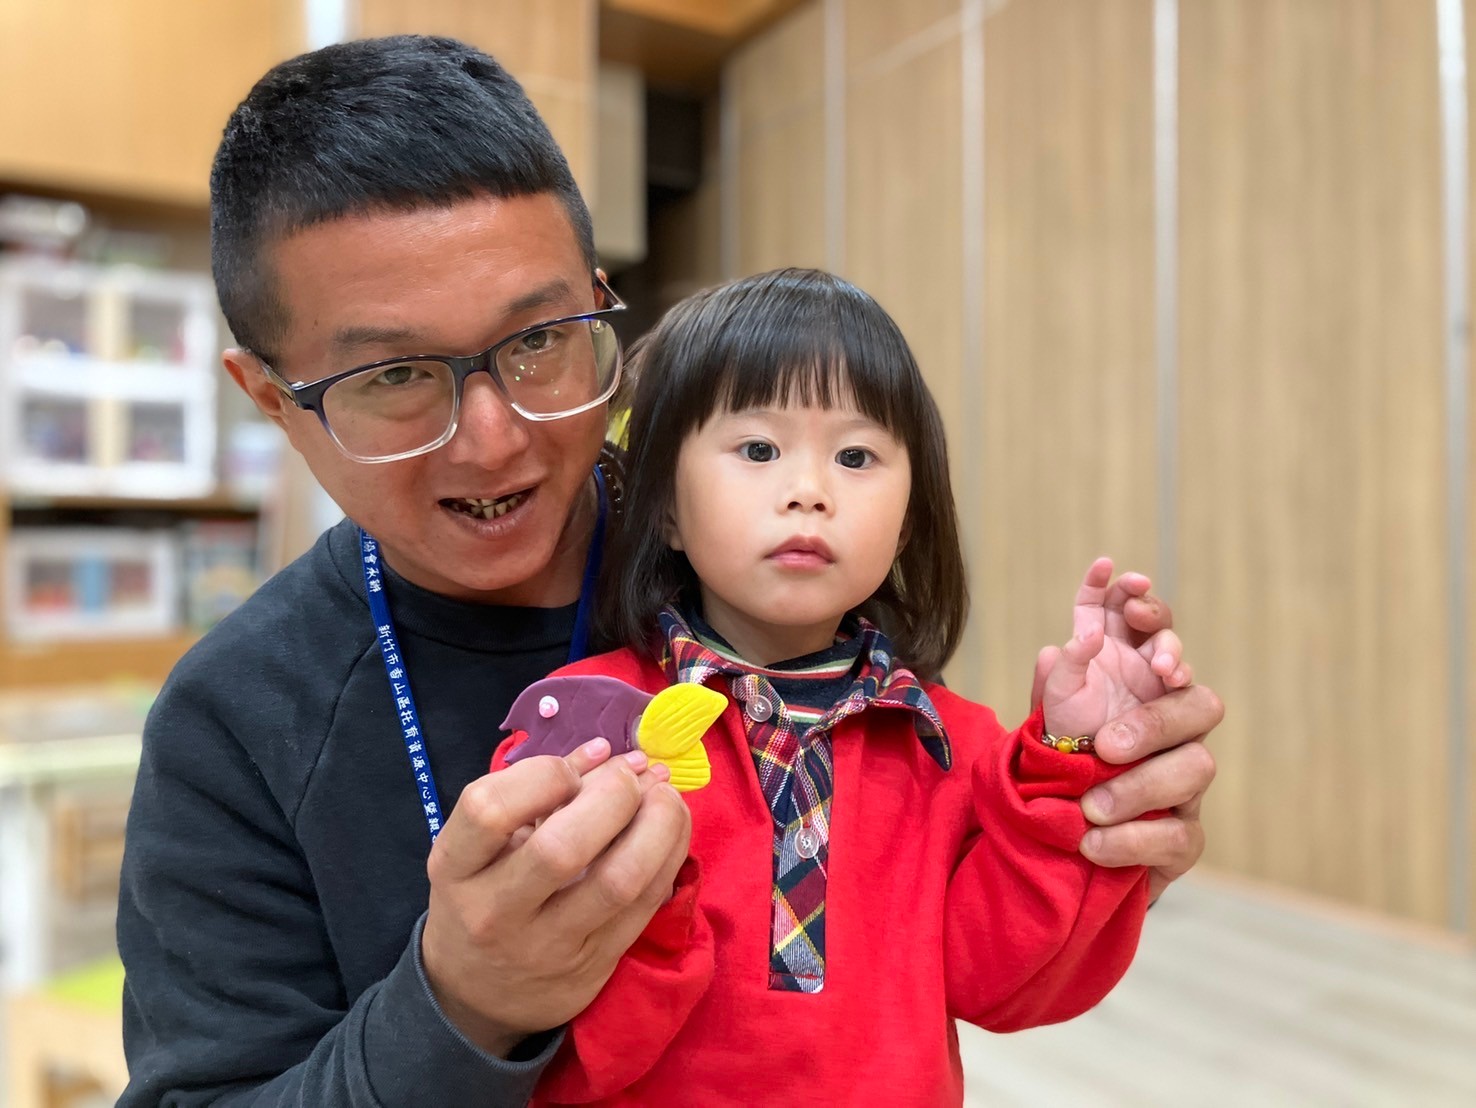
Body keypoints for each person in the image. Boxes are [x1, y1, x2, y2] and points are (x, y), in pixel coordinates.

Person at [116, 34, 1222, 1108]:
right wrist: (463, 1000)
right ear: (268, 395)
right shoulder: (236, 723)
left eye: (541, 339)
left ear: (597, 296)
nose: (496, 438)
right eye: (397, 374)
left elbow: (981, 933)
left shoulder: (771, 574)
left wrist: (1092, 821)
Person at [491, 269, 1196, 1106]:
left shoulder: (958, 745)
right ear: (667, 509)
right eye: (758, 449)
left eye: (856, 456)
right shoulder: (589, 721)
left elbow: (1008, 987)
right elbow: (559, 1037)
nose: (809, 491)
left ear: (906, 524)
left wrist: (1077, 757)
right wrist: (642, 897)